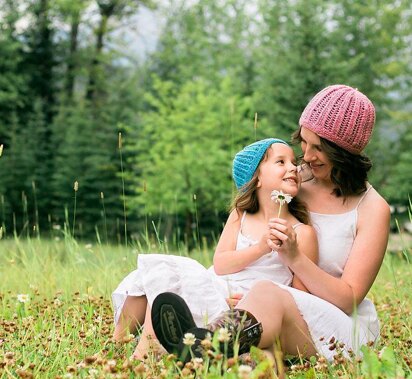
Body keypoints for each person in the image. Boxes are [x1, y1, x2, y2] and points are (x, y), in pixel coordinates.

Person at [152, 84, 390, 362]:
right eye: (304, 141)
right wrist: (229, 290)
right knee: (185, 277)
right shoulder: (296, 179)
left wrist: (295, 258)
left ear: (345, 153)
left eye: (319, 148)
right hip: (268, 308)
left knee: (267, 292)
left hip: (333, 323)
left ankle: (209, 347)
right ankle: (225, 349)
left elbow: (348, 298)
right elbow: (250, 206)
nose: (307, 156)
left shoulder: (373, 209)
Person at [112, 138, 318, 359]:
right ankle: (119, 343)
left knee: (170, 281)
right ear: (257, 179)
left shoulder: (302, 232)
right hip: (217, 286)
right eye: (281, 162)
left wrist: (252, 304)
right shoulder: (241, 215)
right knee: (158, 274)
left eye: (293, 161)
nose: (293, 167)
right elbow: (220, 264)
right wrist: (260, 248)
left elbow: (298, 297)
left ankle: (154, 351)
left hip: (247, 307)